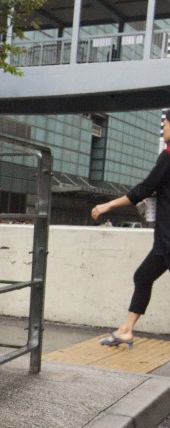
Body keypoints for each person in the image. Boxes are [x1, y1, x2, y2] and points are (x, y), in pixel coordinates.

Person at [91, 108, 170, 347]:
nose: (164, 127)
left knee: (143, 277)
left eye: (166, 123)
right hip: (164, 241)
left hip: (169, 239)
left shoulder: (168, 156)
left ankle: (126, 329)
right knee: (143, 276)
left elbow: (142, 190)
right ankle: (126, 330)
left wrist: (107, 206)